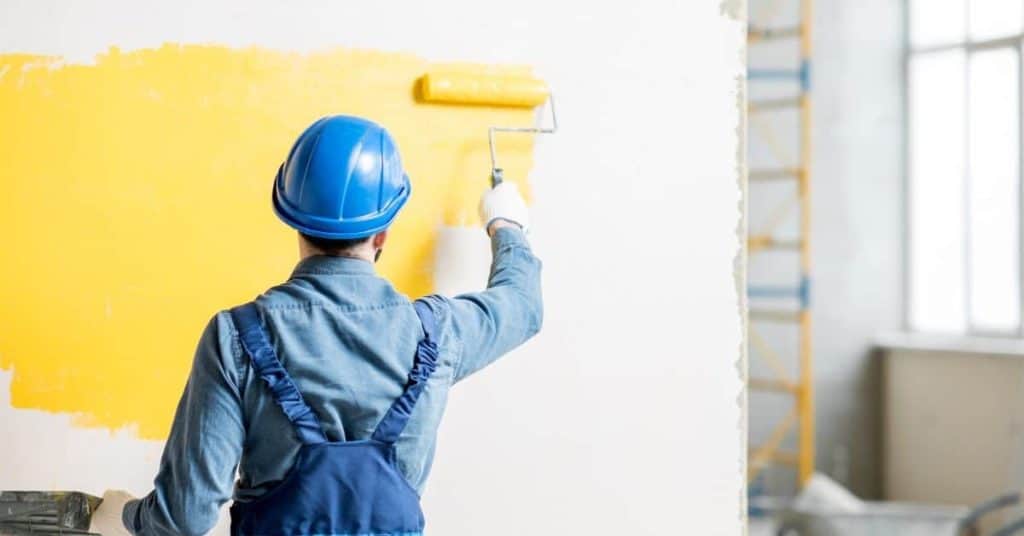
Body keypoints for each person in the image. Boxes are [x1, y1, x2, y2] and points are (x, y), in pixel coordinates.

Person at [89, 115, 543, 535]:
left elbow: (183, 518)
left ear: (292, 218)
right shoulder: (439, 334)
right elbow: (522, 306)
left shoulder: (235, 338)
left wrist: (123, 514)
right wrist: (506, 223)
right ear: (382, 234)